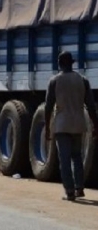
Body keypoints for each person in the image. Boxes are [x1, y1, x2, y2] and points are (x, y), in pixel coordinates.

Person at [45, 51, 98, 201]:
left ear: (59, 63)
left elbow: (48, 106)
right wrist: (95, 125)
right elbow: (91, 106)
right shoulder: (83, 80)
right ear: (72, 63)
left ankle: (69, 191)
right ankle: (79, 188)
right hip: (78, 124)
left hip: (62, 124)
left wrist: (48, 128)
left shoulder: (54, 81)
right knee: (77, 157)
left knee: (64, 159)